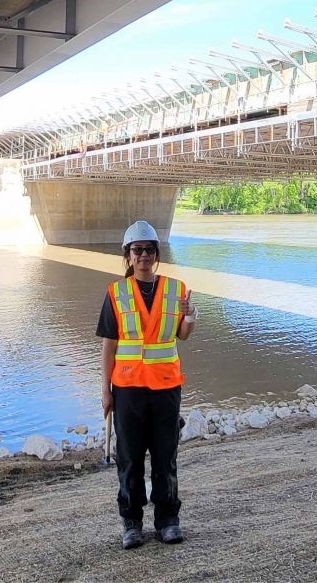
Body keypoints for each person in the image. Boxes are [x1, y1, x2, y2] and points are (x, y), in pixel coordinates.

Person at [96, 220, 198, 550]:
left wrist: (190, 315)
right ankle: (132, 522)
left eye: (149, 250)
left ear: (156, 255)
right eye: (137, 250)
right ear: (128, 256)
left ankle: (168, 520)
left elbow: (182, 335)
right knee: (130, 457)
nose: (143, 256)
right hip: (128, 389)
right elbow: (109, 346)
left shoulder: (176, 290)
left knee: (165, 456)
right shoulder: (116, 293)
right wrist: (105, 391)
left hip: (166, 387)